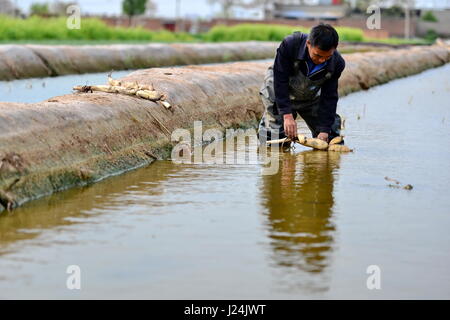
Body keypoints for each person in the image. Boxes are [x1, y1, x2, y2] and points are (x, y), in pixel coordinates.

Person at [258, 23, 346, 145]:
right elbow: (280, 80)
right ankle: (271, 128)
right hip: (279, 93)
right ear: (308, 44)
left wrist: (325, 130)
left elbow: (329, 96)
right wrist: (287, 115)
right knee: (274, 142)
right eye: (318, 55)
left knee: (330, 139)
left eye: (327, 57)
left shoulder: (337, 63)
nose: (321, 60)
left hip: (310, 97)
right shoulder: (291, 45)